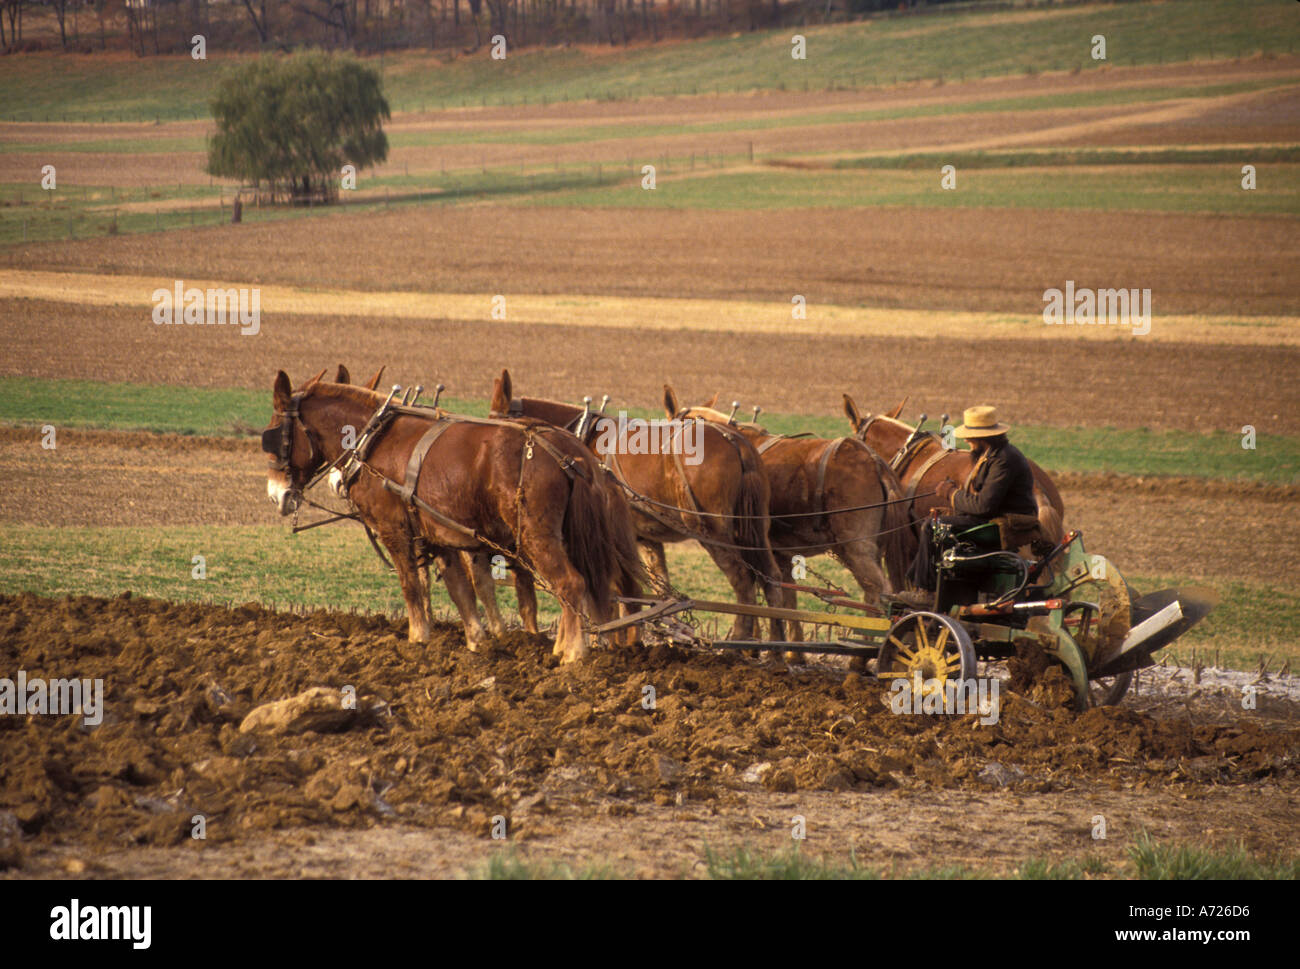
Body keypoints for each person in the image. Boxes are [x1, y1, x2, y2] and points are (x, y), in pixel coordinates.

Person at [905, 405, 1038, 592]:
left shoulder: (1004, 460)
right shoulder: (992, 455)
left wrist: (951, 493)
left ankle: (925, 591)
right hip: (994, 518)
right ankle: (919, 583)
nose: (966, 440)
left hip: (1005, 524)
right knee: (936, 522)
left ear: (983, 438)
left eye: (970, 437)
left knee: (931, 527)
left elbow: (983, 506)